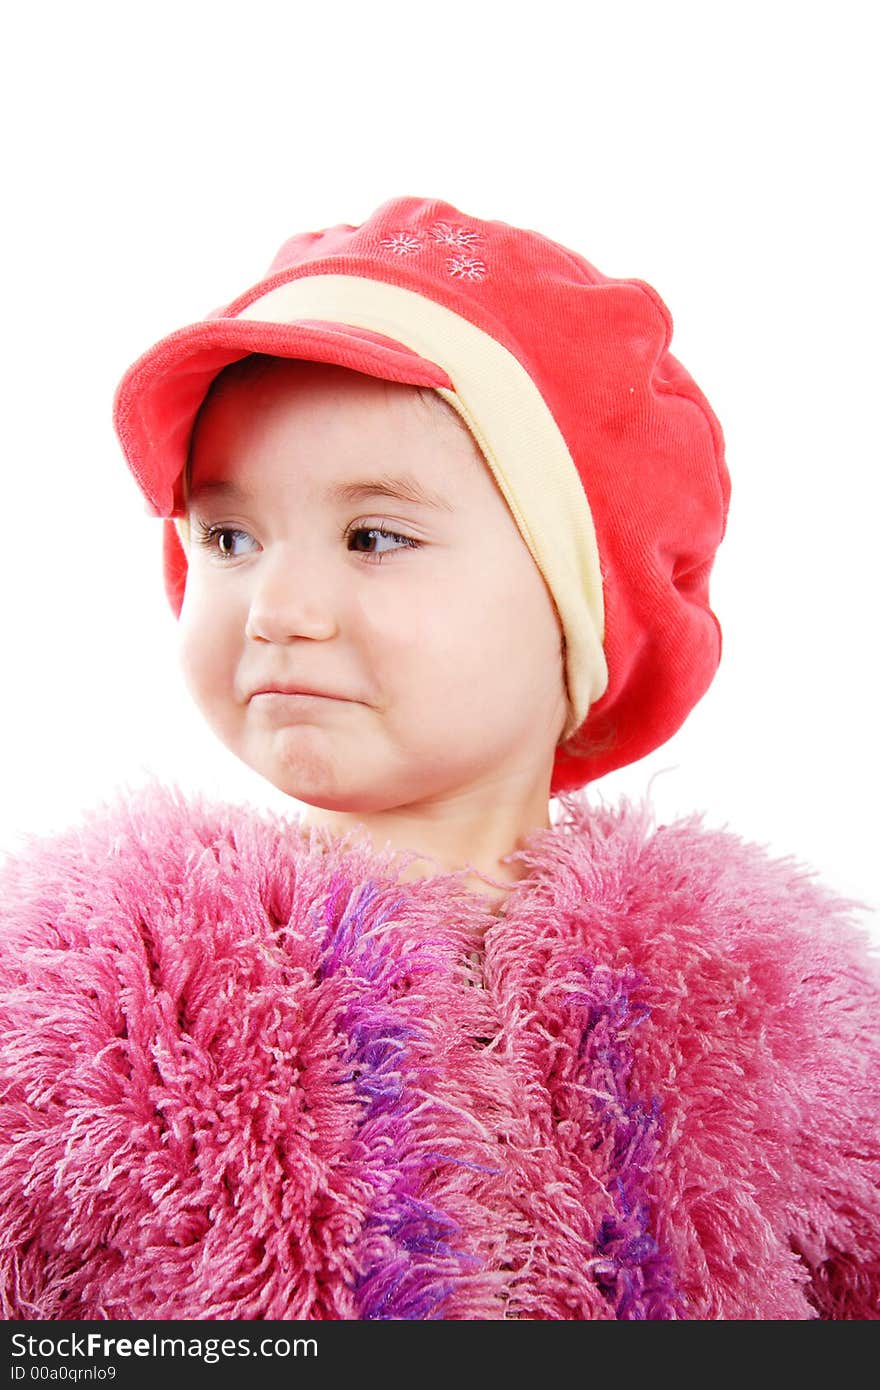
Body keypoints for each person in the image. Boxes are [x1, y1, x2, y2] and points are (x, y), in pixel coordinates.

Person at [1, 196, 878, 1321]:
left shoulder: (771, 1014)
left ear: (582, 606)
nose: (277, 605)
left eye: (375, 537)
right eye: (228, 537)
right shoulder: (90, 1001)